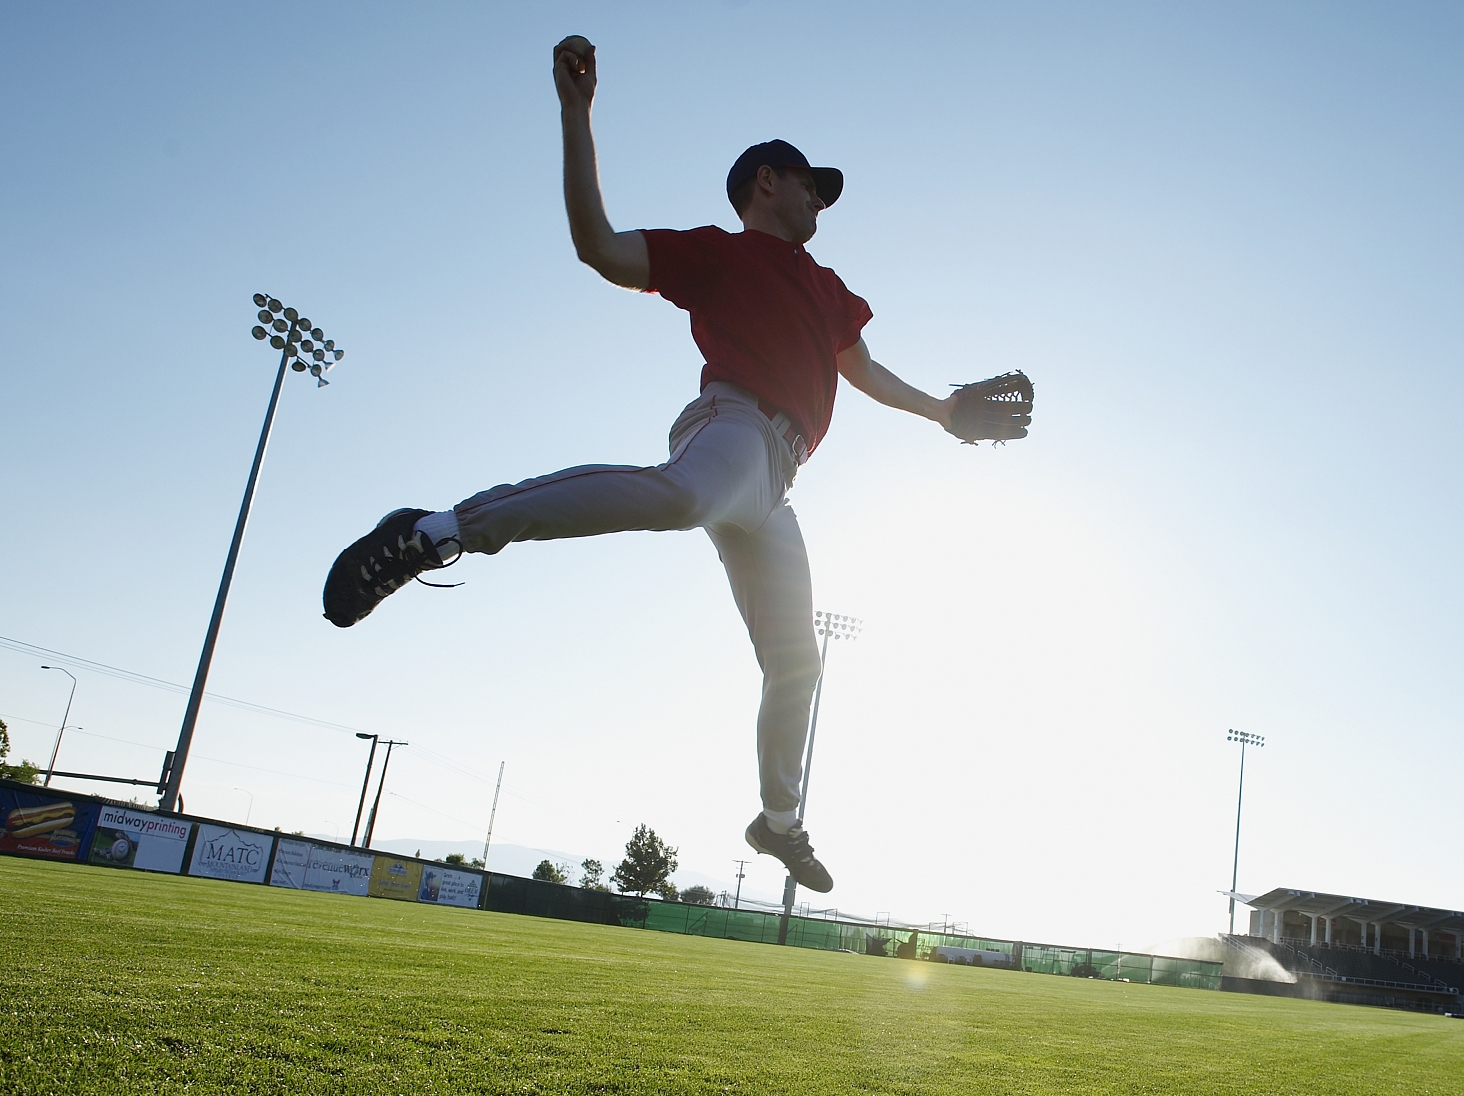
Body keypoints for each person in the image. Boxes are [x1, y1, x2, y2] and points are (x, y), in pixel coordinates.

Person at [321, 36, 1028, 894]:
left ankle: (778, 823)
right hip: (733, 428)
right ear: (766, 182)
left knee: (797, 661)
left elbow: (866, 371)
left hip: (779, 479)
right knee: (684, 496)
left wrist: (944, 412)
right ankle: (435, 531)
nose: (820, 198)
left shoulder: (827, 285)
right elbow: (599, 246)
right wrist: (577, 116)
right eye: (810, 183)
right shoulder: (720, 253)